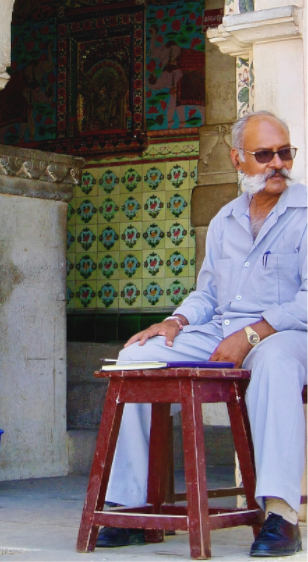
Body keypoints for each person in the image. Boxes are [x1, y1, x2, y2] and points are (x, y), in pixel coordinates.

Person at [99, 110, 307, 557]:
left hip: (291, 334)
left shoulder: (306, 213)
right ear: (237, 159)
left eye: (285, 153)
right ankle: (134, 508)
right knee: (136, 358)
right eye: (265, 154)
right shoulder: (224, 221)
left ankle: (281, 515)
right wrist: (176, 322)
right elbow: (207, 294)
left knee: (274, 361)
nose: (278, 164)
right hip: (222, 330)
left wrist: (253, 335)